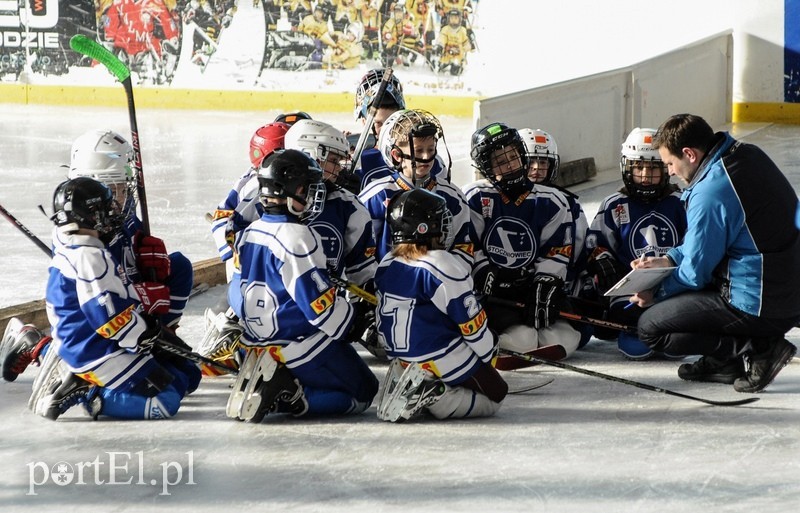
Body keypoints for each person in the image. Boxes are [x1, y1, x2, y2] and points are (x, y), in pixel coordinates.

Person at [2, 129, 199, 390]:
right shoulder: (80, 236)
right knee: (167, 386)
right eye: (114, 189)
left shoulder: (117, 214)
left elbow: (130, 257)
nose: (123, 196)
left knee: (179, 267)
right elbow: (96, 305)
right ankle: (37, 344)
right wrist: (141, 293)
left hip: (125, 310)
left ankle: (159, 342)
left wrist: (149, 262)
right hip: (94, 320)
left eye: (122, 187)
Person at [630, 113, 800, 393]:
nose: (670, 171)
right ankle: (725, 363)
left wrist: (654, 292)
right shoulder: (746, 154)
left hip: (761, 302)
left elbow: (695, 274)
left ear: (689, 154)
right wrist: (668, 259)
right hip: (785, 290)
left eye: (670, 163)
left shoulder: (711, 191)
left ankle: (760, 348)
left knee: (651, 327)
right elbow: (713, 240)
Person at [226, 149, 378, 422]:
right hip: (296, 345)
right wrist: (353, 320)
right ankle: (290, 396)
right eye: (305, 188)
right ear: (286, 191)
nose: (312, 195)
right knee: (365, 391)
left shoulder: (249, 232)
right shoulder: (297, 237)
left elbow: (235, 291)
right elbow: (320, 309)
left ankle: (275, 385)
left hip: (252, 342)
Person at [33, 177, 192, 420]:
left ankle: (87, 381)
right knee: (166, 402)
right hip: (95, 351)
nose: (113, 211)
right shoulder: (89, 257)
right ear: (90, 215)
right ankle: (89, 393)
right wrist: (142, 334)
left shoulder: (82, 248)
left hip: (101, 342)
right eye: (107, 208)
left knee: (187, 376)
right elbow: (106, 317)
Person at [374, 188, 507, 421]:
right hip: (440, 355)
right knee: (496, 396)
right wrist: (490, 348)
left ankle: (419, 387)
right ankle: (435, 393)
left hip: (399, 356)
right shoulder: (443, 263)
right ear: (424, 227)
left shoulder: (386, 263)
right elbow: (471, 325)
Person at [464, 122, 580, 368]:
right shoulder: (476, 196)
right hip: (493, 293)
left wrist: (546, 281)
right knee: (523, 339)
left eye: (513, 157)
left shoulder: (552, 200)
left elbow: (557, 249)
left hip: (528, 287)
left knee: (567, 339)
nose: (510, 166)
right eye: (500, 162)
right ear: (486, 167)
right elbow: (467, 242)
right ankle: (485, 344)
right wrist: (482, 269)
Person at [583, 128, 687, 359]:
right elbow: (595, 243)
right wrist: (602, 260)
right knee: (623, 317)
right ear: (627, 167)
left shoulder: (681, 203)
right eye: (639, 167)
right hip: (629, 292)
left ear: (665, 168)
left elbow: (696, 245)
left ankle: (665, 329)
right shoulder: (614, 204)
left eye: (652, 168)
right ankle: (640, 330)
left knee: (677, 314)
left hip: (672, 288)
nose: (645, 175)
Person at [358, 109, 471, 266]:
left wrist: (449, 275)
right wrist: (373, 279)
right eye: (418, 150)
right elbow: (361, 247)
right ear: (396, 155)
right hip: (389, 285)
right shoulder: (377, 195)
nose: (426, 157)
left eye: (430, 149)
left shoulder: (452, 196)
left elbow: (463, 246)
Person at [351, 68, 407, 189]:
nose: (386, 129)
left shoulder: (418, 155)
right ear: (364, 121)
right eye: (378, 123)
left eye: (391, 121)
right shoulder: (354, 160)